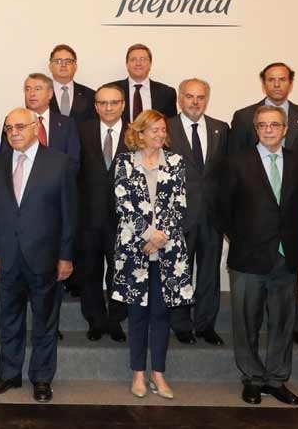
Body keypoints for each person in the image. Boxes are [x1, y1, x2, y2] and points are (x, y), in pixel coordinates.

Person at [0, 108, 78, 403]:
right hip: (7, 257)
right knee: (8, 319)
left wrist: (65, 256)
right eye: (9, 128)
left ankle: (41, 378)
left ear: (36, 127)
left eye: (20, 126)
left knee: (45, 321)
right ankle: (9, 374)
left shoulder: (59, 163)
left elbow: (70, 214)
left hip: (45, 258)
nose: (14, 133)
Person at [218, 105, 298, 406]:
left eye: (275, 124)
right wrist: (244, 239)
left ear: (285, 129)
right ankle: (253, 378)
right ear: (255, 129)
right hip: (248, 256)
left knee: (283, 323)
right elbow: (223, 210)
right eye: (262, 125)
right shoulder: (235, 163)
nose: (268, 129)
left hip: (286, 256)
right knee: (246, 321)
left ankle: (277, 379)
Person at [228, 62, 298, 348]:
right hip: (254, 223)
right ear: (263, 83)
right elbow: (234, 166)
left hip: (287, 215)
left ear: (290, 83)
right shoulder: (244, 117)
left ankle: (293, 327)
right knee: (252, 300)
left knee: (287, 279)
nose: (277, 84)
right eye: (271, 80)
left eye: (282, 80)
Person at [109, 109, 191, 400]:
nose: (160, 134)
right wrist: (147, 235)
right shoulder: (124, 163)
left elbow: (179, 204)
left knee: (161, 314)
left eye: (163, 130)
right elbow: (123, 204)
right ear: (140, 133)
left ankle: (159, 373)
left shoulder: (177, 162)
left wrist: (160, 238)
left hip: (168, 252)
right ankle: (138, 374)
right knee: (137, 315)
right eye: (153, 130)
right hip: (134, 250)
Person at [166, 79, 229, 346]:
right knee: (179, 271)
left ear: (207, 99)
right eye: (190, 96)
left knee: (208, 272)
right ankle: (181, 325)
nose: (195, 102)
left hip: (212, 215)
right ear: (180, 99)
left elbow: (228, 172)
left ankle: (205, 324)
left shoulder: (221, 129)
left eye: (200, 97)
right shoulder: (165, 127)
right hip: (179, 213)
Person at [72, 83, 129, 343]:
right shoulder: (81, 130)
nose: (108, 108)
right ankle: (95, 321)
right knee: (90, 271)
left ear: (123, 105)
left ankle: (116, 320)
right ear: (95, 106)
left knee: (120, 271)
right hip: (89, 216)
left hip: (125, 218)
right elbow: (74, 172)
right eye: (103, 103)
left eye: (114, 102)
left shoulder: (134, 133)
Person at [0, 73, 79, 172]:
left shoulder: (67, 124)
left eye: (37, 89)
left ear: (50, 93)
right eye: (27, 89)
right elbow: (5, 158)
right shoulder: (12, 121)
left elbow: (73, 160)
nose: (31, 94)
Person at [107, 43, 177, 124]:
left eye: (143, 59)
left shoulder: (167, 93)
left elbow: (171, 125)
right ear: (127, 64)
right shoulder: (112, 90)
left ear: (150, 64)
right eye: (133, 60)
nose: (138, 64)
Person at [47, 44, 96, 123]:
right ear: (50, 66)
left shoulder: (90, 95)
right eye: (58, 61)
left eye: (68, 61)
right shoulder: (40, 94)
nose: (63, 65)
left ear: (75, 66)